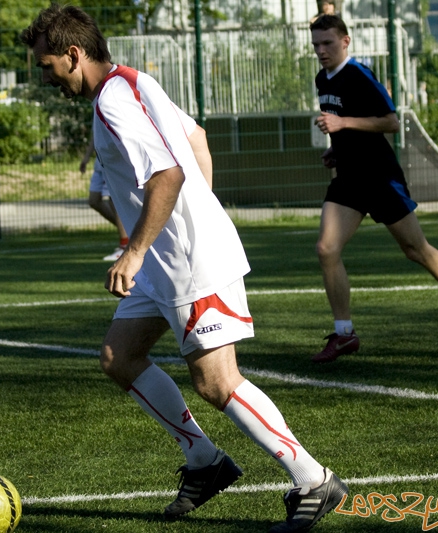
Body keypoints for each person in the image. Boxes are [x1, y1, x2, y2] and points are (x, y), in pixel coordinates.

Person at [21, 5, 348, 532]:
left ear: (74, 55)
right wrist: (196, 217)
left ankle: (312, 478)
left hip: (187, 262)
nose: (45, 77)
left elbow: (170, 174)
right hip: (167, 262)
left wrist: (139, 248)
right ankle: (205, 461)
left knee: (217, 383)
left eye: (46, 65)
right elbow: (195, 139)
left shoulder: (114, 101)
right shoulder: (133, 81)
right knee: (119, 356)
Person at [310, 15, 438, 363]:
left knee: (415, 249)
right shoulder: (321, 78)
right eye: (316, 45)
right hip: (349, 179)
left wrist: (342, 123)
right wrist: (336, 147)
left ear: (346, 42)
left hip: (380, 177)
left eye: (327, 43)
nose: (321, 51)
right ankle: (344, 334)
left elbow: (390, 122)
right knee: (327, 249)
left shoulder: (359, 74)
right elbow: (349, 129)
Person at [80, 133, 129, 260]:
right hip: (99, 162)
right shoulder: (97, 113)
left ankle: (125, 245)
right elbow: (95, 135)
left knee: (114, 200)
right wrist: (86, 157)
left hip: (112, 160)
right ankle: (131, 232)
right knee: (94, 201)